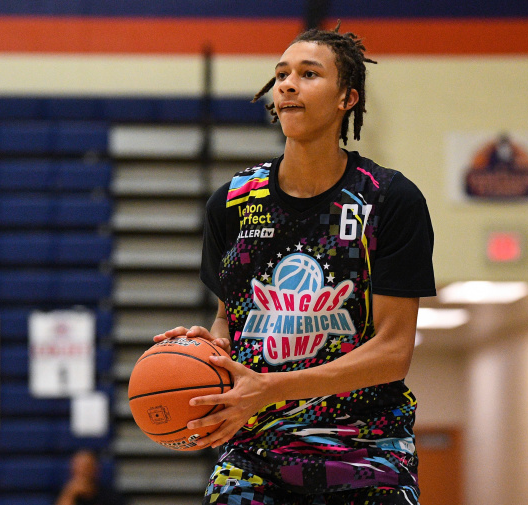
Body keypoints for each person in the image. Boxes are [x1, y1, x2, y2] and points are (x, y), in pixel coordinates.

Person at [155, 23, 436, 505]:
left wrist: (269, 386)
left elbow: (392, 352)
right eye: (281, 73)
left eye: (308, 74)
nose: (287, 84)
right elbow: (231, 317)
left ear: (347, 97)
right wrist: (211, 347)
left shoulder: (388, 200)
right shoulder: (233, 202)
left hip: (364, 448)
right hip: (253, 450)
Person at [55, 449, 124, 505]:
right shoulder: (65, 494)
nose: (82, 471)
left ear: (96, 470)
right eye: (78, 467)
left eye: (86, 467)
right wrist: (69, 495)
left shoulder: (111, 497)